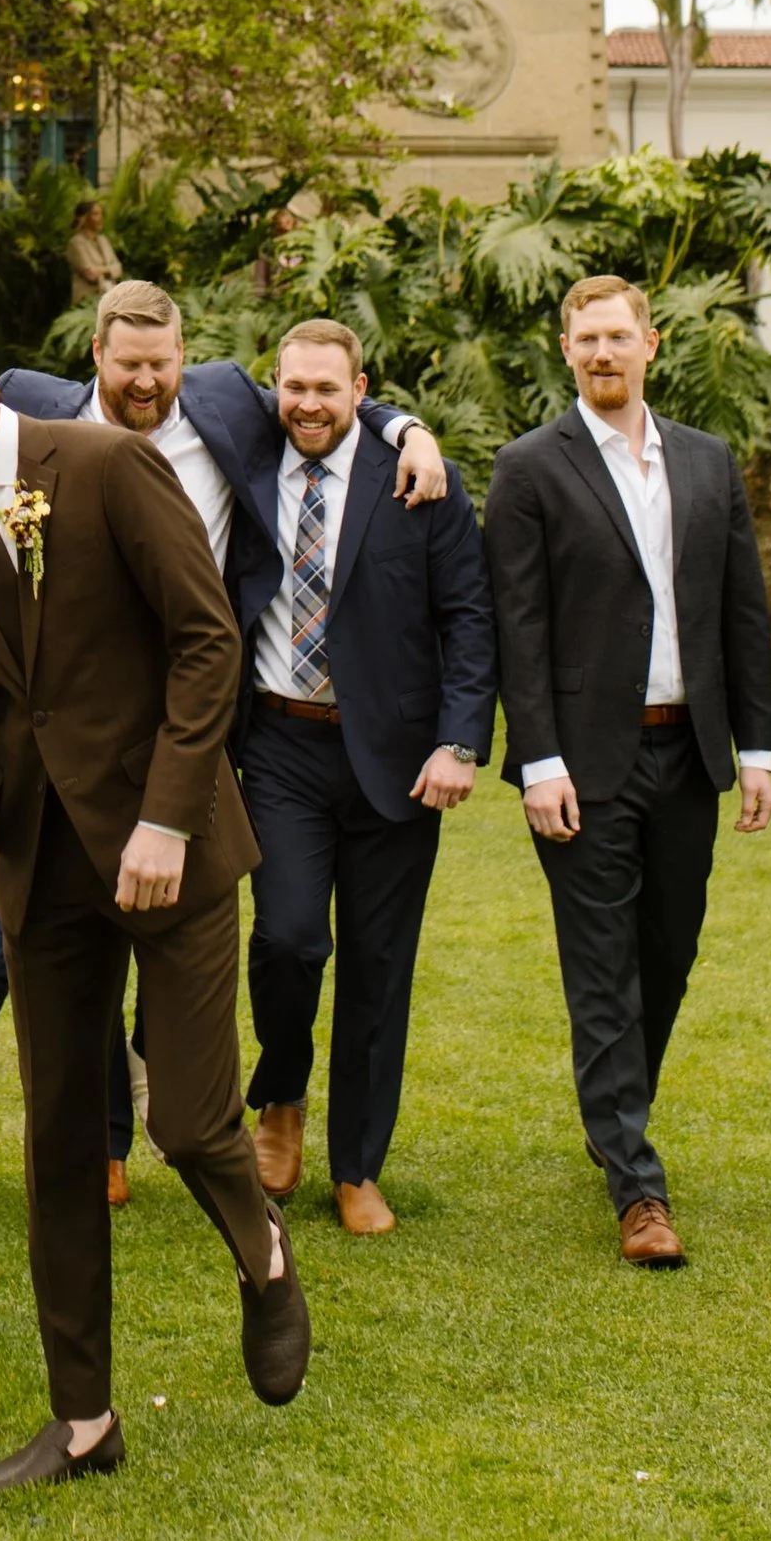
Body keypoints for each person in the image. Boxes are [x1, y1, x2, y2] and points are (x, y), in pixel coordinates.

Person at [0, 290, 308, 1491]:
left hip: (171, 852)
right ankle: (83, 1420)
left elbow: (206, 642)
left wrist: (161, 816)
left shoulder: (102, 465)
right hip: (47, 871)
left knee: (190, 1121)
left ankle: (264, 1254)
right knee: (53, 1151)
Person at [0, 278, 450, 1200]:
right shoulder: (38, 410)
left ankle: (235, 1113)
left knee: (182, 917)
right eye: (129, 367)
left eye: (161, 366)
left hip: (199, 710)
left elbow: (328, 394)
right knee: (86, 926)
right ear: (96, 358)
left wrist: (408, 429)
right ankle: (106, 1144)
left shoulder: (221, 407)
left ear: (185, 359)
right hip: (80, 712)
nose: (146, 384)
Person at [483, 275, 771, 1270]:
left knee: (669, 949)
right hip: (582, 763)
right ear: (564, 352)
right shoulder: (529, 468)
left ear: (650, 344)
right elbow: (516, 628)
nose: (603, 353)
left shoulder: (706, 462)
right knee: (602, 967)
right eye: (586, 340)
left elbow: (742, 610)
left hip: (687, 753)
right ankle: (636, 1186)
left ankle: (615, 1109)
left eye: (618, 336)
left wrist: (759, 749)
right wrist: (538, 760)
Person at [240, 318, 495, 1233]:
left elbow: (469, 616)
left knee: (380, 970)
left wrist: (459, 742)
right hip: (278, 745)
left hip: (395, 756)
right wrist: (403, 418)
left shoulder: (419, 483)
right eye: (293, 386)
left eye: (328, 388)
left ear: (361, 388)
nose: (308, 404)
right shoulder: (247, 455)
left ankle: (357, 1166)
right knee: (289, 938)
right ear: (275, 384)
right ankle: (280, 1092)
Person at [64, 197, 124, 315]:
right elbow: (90, 274)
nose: (100, 218)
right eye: (95, 214)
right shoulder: (76, 243)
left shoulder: (103, 240)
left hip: (109, 300)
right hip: (87, 304)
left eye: (100, 214)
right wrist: (110, 269)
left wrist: (102, 270)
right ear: (84, 219)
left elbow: (119, 268)